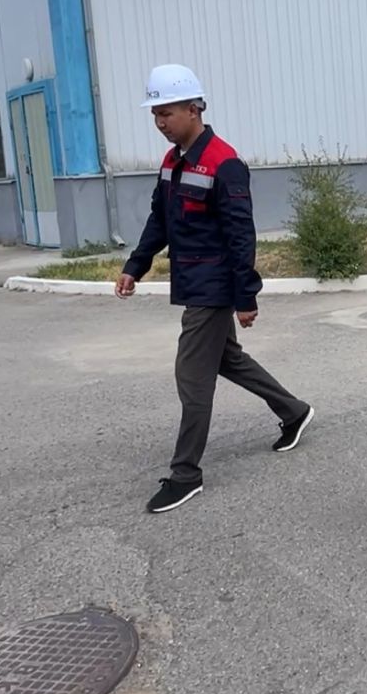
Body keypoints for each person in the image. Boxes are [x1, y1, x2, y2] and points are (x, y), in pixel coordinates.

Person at [116, 64, 312, 514]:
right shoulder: (172, 162)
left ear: (194, 108)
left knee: (192, 376)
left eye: (166, 113)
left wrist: (245, 296)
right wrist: (135, 266)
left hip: (213, 288)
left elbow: (241, 236)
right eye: (155, 114)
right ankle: (294, 410)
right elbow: (160, 220)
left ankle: (186, 474)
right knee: (227, 359)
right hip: (192, 281)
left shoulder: (225, 163)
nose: (160, 122)